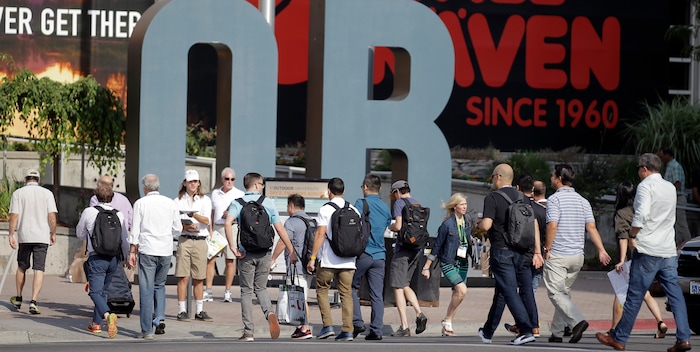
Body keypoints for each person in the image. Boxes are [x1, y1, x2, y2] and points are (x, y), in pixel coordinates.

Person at [597, 154, 692, 352]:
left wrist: (633, 235)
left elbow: (641, 215)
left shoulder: (645, 186)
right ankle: (683, 338)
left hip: (648, 248)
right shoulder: (669, 187)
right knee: (675, 295)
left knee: (634, 295)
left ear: (645, 169)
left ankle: (619, 338)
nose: (639, 172)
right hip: (667, 249)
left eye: (639, 168)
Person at [224, 172, 297, 342]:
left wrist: (233, 248)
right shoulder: (268, 203)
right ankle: (270, 313)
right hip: (265, 252)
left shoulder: (237, 203)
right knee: (261, 288)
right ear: (257, 185)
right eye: (262, 184)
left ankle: (249, 331)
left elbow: (228, 223)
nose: (263, 187)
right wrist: (291, 251)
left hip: (246, 252)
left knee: (246, 291)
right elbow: (280, 229)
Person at [544, 164, 611, 344]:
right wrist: (601, 250)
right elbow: (592, 228)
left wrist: (547, 248)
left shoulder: (554, 200)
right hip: (577, 257)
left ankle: (577, 321)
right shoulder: (583, 201)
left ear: (558, 178)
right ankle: (557, 333)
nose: (551, 178)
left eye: (552, 175)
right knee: (563, 293)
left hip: (558, 254)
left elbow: (552, 225)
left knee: (555, 293)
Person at [476, 164, 542, 346]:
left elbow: (487, 225)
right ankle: (487, 332)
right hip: (522, 251)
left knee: (509, 291)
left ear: (498, 177)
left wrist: (478, 224)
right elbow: (533, 225)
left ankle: (526, 329)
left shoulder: (493, 198)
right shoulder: (523, 197)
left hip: (502, 250)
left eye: (492, 176)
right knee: (502, 292)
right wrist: (537, 251)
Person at [608, 182, 667, 338]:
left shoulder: (621, 213)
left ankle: (614, 329)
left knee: (620, 293)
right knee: (645, 293)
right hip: (645, 255)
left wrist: (621, 260)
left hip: (630, 259)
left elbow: (623, 238)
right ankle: (661, 322)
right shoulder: (640, 210)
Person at [128, 174, 182, 339]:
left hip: (148, 249)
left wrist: (132, 250)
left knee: (146, 289)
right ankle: (159, 318)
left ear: (144, 187)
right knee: (160, 285)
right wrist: (166, 235)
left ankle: (147, 330)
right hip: (165, 249)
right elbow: (178, 228)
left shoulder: (140, 203)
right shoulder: (170, 203)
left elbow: (135, 229)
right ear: (157, 186)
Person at [306, 177, 357, 341]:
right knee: (346, 294)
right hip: (349, 260)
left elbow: (320, 234)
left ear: (329, 190)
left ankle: (327, 326)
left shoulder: (325, 209)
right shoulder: (354, 209)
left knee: (322, 290)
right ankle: (348, 330)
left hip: (329, 259)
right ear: (344, 191)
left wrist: (312, 258)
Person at [76, 185, 129, 338]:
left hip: (97, 258)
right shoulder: (119, 214)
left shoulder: (89, 211)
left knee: (94, 292)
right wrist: (125, 257)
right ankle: (95, 324)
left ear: (95, 197)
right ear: (112, 198)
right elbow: (124, 239)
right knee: (103, 292)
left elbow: (80, 234)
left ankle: (107, 316)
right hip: (113, 259)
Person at [8, 168, 58, 315]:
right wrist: (53, 232)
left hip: (24, 235)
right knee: (39, 268)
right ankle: (34, 301)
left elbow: (14, 216)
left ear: (26, 179)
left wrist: (11, 234)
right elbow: (52, 217)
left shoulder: (18, 193)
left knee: (22, 267)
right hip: (42, 236)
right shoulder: (47, 194)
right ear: (38, 180)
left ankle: (18, 297)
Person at [422, 192, 473, 336]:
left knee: (458, 294)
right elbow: (437, 246)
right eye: (462, 204)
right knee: (462, 290)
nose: (465, 207)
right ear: (454, 206)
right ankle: (447, 320)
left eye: (465, 204)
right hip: (448, 261)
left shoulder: (467, 221)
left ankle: (447, 324)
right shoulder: (447, 225)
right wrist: (427, 267)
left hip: (463, 262)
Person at [503, 173, 547, 337]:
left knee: (519, 291)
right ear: (533, 189)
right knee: (528, 291)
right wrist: (542, 252)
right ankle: (532, 325)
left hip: (521, 254)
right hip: (538, 256)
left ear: (518, 188)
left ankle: (525, 325)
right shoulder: (541, 210)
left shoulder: (517, 207)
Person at [351, 174, 391, 340]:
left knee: (350, 287)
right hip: (380, 255)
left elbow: (352, 223)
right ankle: (376, 330)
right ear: (379, 188)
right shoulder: (385, 207)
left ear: (365, 187)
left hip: (364, 253)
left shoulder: (361, 203)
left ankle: (357, 322)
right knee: (376, 294)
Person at [387, 180, 428, 337]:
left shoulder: (400, 203)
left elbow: (398, 226)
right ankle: (419, 313)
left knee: (397, 287)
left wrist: (389, 227)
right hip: (416, 249)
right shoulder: (417, 204)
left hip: (402, 249)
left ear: (398, 192)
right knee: (405, 284)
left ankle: (404, 326)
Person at [270, 194, 314, 339]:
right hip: (308, 265)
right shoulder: (311, 221)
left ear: (291, 206)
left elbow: (283, 241)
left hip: (296, 266)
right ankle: (301, 327)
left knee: (301, 299)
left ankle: (306, 328)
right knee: (303, 296)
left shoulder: (291, 222)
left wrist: (273, 258)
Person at [173, 169, 213, 322]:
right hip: (185, 239)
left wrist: (192, 215)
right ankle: (181, 310)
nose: (193, 184)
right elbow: (175, 222)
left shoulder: (205, 200)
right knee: (183, 276)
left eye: (195, 181)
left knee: (199, 277)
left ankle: (199, 310)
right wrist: (186, 226)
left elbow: (206, 220)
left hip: (200, 240)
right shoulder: (177, 201)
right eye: (190, 181)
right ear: (185, 183)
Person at [205, 167, 244, 303]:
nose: (229, 182)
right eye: (227, 179)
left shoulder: (240, 194)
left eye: (232, 179)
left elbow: (244, 214)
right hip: (217, 228)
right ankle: (208, 290)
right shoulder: (215, 193)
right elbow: (211, 212)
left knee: (230, 260)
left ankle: (228, 291)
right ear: (222, 179)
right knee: (211, 259)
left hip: (232, 228)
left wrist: (233, 215)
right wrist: (210, 230)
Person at [658, 148, 691, 246]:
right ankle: (678, 245)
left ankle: (688, 243)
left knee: (681, 223)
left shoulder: (674, 166)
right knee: (675, 224)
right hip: (673, 198)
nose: (661, 158)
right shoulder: (670, 166)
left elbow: (677, 183)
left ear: (668, 155)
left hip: (678, 198)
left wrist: (667, 192)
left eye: (662, 156)